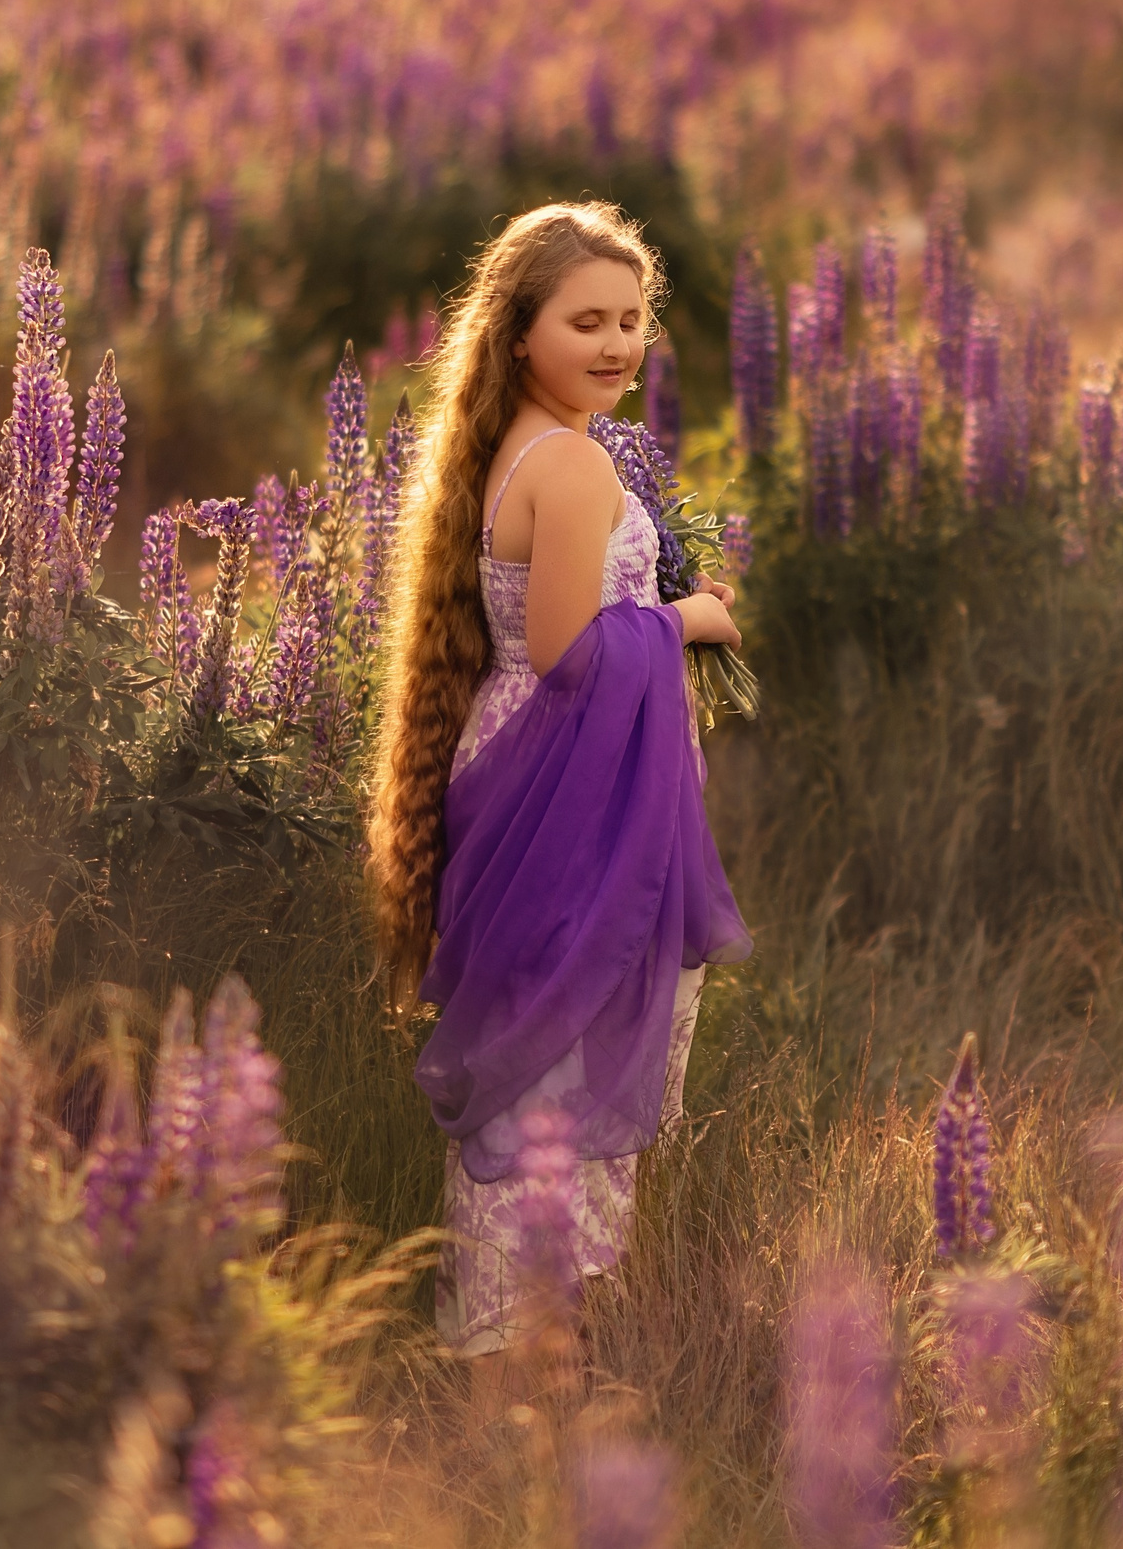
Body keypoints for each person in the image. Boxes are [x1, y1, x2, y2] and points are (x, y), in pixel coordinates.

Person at [367, 200, 751, 1391]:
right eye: (587, 321)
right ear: (519, 329)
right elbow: (572, 651)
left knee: (537, 1067)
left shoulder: (520, 445)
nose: (618, 344)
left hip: (527, 770)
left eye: (632, 320)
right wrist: (690, 618)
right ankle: (526, 1370)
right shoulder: (574, 464)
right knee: (558, 1067)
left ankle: (521, 1365)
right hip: (566, 798)